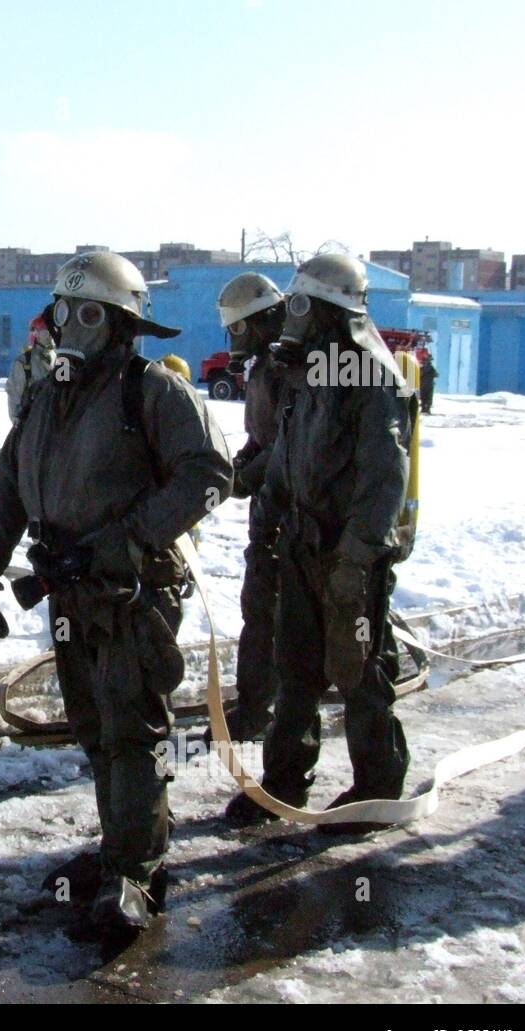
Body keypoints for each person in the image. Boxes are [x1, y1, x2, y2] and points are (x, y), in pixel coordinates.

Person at [0, 252, 232, 941]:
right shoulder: (48, 395)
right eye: (62, 312)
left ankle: (137, 874)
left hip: (130, 593)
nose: (71, 328)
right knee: (94, 727)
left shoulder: (152, 392)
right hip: (69, 594)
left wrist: (129, 538)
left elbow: (211, 472)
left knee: (132, 730)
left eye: (88, 314)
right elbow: (9, 485)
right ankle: (123, 850)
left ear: (120, 324)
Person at [224, 254, 418, 835]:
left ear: (319, 308)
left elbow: (385, 477)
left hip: (349, 556)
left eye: (299, 303)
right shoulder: (311, 371)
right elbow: (285, 456)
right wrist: (272, 510)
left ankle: (378, 788)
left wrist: (356, 562)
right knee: (297, 666)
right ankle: (284, 781)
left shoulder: (371, 376)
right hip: (304, 547)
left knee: (357, 670)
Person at [215, 272, 288, 743]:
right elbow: (260, 438)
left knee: (274, 619)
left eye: (239, 328)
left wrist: (247, 475)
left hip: (296, 519)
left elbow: (291, 444)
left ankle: (268, 712)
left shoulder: (292, 369)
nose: (234, 339)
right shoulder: (264, 370)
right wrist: (235, 466)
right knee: (259, 614)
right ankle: (256, 707)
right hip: (270, 518)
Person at [6, 313, 56, 425]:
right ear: (36, 334)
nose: (51, 336)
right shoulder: (24, 362)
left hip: (54, 421)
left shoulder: (60, 359)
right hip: (31, 421)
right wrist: (16, 418)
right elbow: (14, 393)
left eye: (54, 331)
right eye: (47, 332)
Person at [419, 348, 438, 414]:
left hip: (424, 384)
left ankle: (425, 408)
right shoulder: (429, 366)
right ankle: (426, 409)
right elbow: (436, 374)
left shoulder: (422, 366)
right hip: (428, 384)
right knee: (427, 397)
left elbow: (435, 374)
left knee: (424, 397)